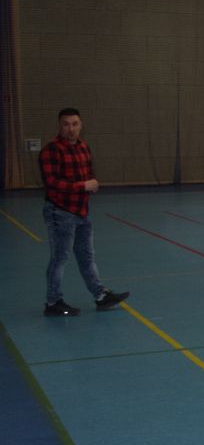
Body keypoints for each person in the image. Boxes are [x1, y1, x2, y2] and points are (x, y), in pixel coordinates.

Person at [40, 108, 130, 316]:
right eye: (66, 124)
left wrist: (92, 183)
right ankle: (53, 302)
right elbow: (52, 183)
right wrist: (83, 186)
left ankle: (100, 296)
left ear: (81, 125)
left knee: (87, 257)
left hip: (81, 212)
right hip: (60, 212)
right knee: (60, 257)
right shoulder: (51, 150)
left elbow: (87, 173)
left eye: (75, 124)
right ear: (59, 126)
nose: (71, 129)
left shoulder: (83, 147)